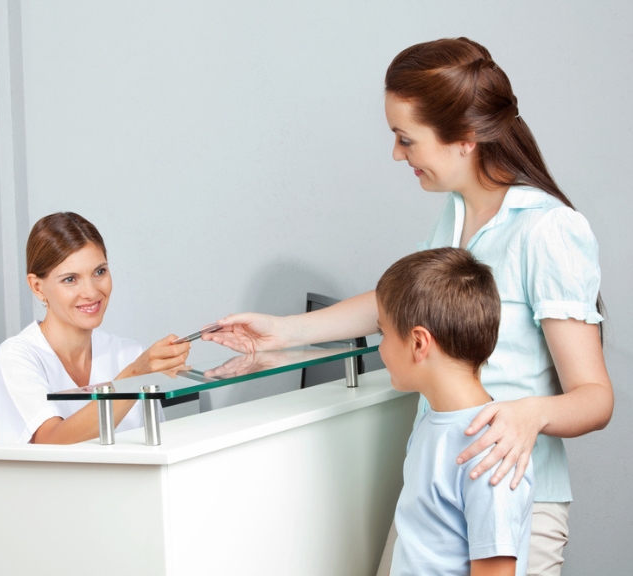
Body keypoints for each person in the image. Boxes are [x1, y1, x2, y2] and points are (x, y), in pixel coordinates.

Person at [202, 38, 613, 574]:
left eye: (405, 139)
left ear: (464, 140)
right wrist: (280, 332)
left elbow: (595, 399)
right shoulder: (457, 212)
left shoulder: (550, 229)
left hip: (511, 501)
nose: (397, 154)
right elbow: (395, 303)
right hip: (434, 490)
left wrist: (529, 414)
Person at [378, 247, 534, 576]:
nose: (380, 348)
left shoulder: (490, 453)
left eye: (383, 333)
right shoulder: (432, 421)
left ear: (419, 343)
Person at [0, 212, 191, 444]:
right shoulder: (15, 359)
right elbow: (50, 443)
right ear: (37, 287)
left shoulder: (128, 353)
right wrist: (133, 376)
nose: (91, 292)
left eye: (99, 272)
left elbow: (157, 446)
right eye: (70, 279)